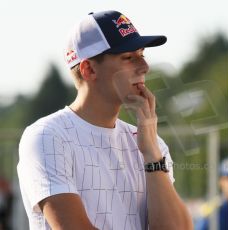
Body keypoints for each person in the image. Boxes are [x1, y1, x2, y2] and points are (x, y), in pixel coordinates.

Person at [17, 10, 193, 230]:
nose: (144, 67)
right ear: (89, 69)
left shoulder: (152, 144)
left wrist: (152, 154)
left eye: (142, 54)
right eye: (129, 57)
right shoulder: (48, 136)